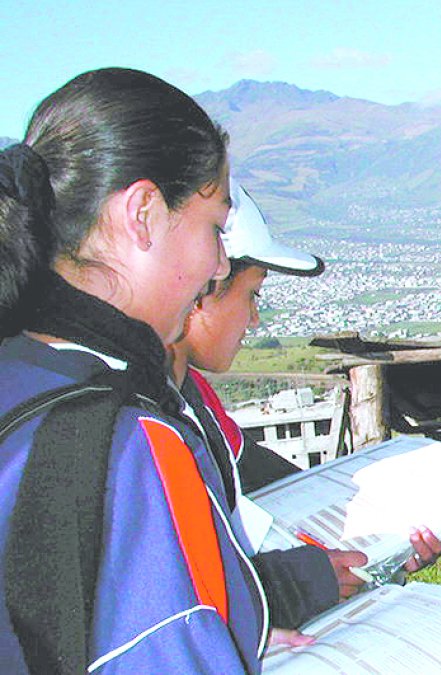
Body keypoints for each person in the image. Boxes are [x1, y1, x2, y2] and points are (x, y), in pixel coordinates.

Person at [0, 69, 265, 672]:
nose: (219, 265)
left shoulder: (19, 372)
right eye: (215, 228)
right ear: (143, 212)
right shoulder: (129, 446)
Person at [165, 180, 441, 636]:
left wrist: (387, 541)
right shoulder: (148, 419)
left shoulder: (191, 395)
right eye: (252, 294)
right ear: (201, 290)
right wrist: (288, 587)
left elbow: (276, 487)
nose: (255, 318)